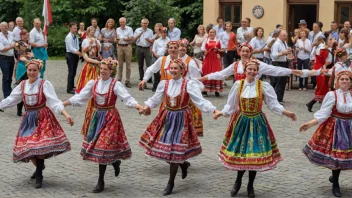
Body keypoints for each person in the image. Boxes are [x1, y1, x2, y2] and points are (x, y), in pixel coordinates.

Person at [213, 59, 296, 198]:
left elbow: (273, 104)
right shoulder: (238, 85)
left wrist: (286, 112)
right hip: (242, 122)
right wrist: (222, 113)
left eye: (254, 69)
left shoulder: (263, 86)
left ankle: (250, 185)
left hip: (258, 122)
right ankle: (238, 181)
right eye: (249, 69)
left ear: (258, 72)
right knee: (242, 153)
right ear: (245, 71)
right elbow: (231, 105)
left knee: (254, 154)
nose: (252, 71)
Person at [63, 58, 143, 193]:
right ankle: (114, 162)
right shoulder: (93, 83)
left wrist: (138, 106)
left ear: (112, 71)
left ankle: (100, 181)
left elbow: (127, 98)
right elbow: (80, 98)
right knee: (100, 147)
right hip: (96, 117)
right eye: (101, 68)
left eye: (105, 69)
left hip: (110, 117)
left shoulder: (115, 84)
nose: (102, 71)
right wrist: (64, 104)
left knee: (103, 146)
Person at [139, 59, 216, 196]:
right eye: (171, 68)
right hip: (167, 117)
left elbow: (200, 100)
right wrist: (147, 106)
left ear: (182, 70)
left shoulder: (188, 84)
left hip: (182, 119)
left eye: (176, 69)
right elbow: (156, 99)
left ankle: (170, 182)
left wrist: (212, 110)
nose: (173, 71)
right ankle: (183, 164)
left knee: (175, 149)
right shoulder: (164, 84)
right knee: (168, 149)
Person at [0, 59, 73, 188]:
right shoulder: (22, 85)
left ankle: (39, 175)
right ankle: (39, 166)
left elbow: (54, 101)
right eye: (30, 70)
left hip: (42, 117)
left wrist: (66, 115)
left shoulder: (44, 84)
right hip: (28, 118)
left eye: (34, 70)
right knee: (27, 146)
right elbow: (12, 99)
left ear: (39, 71)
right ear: (26, 71)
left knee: (39, 146)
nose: (32, 72)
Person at [300, 70, 352, 197]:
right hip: (335, 127)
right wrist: (310, 124)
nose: (345, 81)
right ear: (337, 82)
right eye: (342, 79)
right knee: (336, 157)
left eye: (347, 79)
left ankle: (334, 179)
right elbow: (324, 113)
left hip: (350, 127)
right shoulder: (332, 95)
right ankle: (335, 184)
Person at [198, 43, 304, 84]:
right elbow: (222, 74)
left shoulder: (256, 64)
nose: (245, 53)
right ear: (239, 53)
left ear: (250, 53)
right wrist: (204, 78)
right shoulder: (235, 65)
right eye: (243, 51)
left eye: (247, 51)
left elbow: (274, 70)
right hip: (239, 93)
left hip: (253, 93)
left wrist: (291, 71)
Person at [306, 37, 331, 112]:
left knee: (323, 87)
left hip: (318, 68)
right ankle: (313, 103)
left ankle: (313, 103)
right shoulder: (322, 49)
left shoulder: (319, 48)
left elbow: (314, 57)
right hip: (321, 68)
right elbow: (326, 60)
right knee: (322, 87)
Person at [76, 26, 101, 94]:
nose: (92, 31)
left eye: (93, 30)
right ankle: (86, 91)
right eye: (91, 30)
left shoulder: (96, 40)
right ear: (88, 32)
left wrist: (96, 42)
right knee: (87, 76)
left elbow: (99, 50)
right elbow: (83, 51)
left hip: (96, 59)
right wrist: (89, 45)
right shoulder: (85, 41)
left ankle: (97, 90)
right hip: (89, 61)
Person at [271, 30, 292, 103]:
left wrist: (288, 51)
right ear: (279, 35)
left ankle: (280, 98)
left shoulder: (284, 42)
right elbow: (274, 55)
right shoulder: (277, 43)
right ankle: (276, 99)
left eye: (286, 35)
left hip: (283, 62)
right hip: (277, 63)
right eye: (284, 35)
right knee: (278, 82)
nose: (286, 37)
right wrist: (284, 53)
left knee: (283, 82)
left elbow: (285, 52)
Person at [14, 28, 31, 116]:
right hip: (21, 67)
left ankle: (27, 109)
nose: (26, 36)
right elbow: (20, 56)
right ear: (21, 35)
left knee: (27, 88)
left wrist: (30, 58)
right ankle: (19, 110)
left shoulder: (27, 44)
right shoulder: (18, 43)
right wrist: (28, 60)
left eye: (27, 35)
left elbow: (30, 54)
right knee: (21, 88)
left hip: (28, 66)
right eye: (25, 35)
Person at [201, 28, 223, 97]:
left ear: (215, 33)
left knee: (216, 72)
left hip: (216, 59)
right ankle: (205, 90)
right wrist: (205, 52)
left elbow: (223, 49)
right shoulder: (206, 40)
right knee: (206, 72)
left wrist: (218, 50)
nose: (212, 33)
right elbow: (202, 49)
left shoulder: (218, 40)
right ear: (208, 33)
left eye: (213, 32)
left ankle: (216, 90)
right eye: (210, 32)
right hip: (208, 58)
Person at [133, 18, 153, 85]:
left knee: (149, 65)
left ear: (148, 24)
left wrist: (148, 41)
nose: (144, 24)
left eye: (146, 23)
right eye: (143, 23)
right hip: (139, 48)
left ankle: (148, 78)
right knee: (140, 65)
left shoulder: (150, 31)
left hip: (147, 49)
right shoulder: (137, 30)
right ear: (141, 24)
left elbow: (152, 41)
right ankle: (141, 78)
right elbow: (133, 40)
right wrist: (138, 35)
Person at [116, 17, 133, 88]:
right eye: (121, 22)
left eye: (123, 22)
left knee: (128, 65)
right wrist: (125, 38)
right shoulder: (117, 29)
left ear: (125, 22)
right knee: (120, 65)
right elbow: (117, 39)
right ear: (119, 23)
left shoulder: (129, 29)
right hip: (119, 47)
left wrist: (124, 39)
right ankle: (119, 80)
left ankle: (127, 81)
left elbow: (131, 38)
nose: (122, 23)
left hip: (127, 47)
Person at [65, 22, 81, 94]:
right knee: (71, 72)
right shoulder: (69, 37)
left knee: (74, 71)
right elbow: (71, 48)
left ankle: (72, 85)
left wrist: (78, 51)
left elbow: (77, 46)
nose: (75, 29)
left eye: (76, 28)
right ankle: (69, 88)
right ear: (70, 28)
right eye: (74, 28)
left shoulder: (76, 36)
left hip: (75, 54)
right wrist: (78, 53)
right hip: (70, 55)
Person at [0, 21, 15, 99]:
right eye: (3, 26)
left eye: (6, 26)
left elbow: (14, 42)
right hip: (3, 58)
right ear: (0, 28)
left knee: (10, 76)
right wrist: (11, 47)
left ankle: (10, 92)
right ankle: (6, 95)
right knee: (5, 77)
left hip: (11, 57)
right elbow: (2, 49)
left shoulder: (11, 33)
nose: (5, 28)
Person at [151, 27, 169, 92]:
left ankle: (162, 87)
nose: (164, 34)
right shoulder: (156, 41)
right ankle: (155, 85)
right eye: (162, 32)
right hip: (156, 57)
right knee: (156, 72)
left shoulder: (169, 41)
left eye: (165, 33)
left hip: (165, 57)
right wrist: (156, 55)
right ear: (160, 33)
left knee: (163, 72)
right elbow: (153, 50)